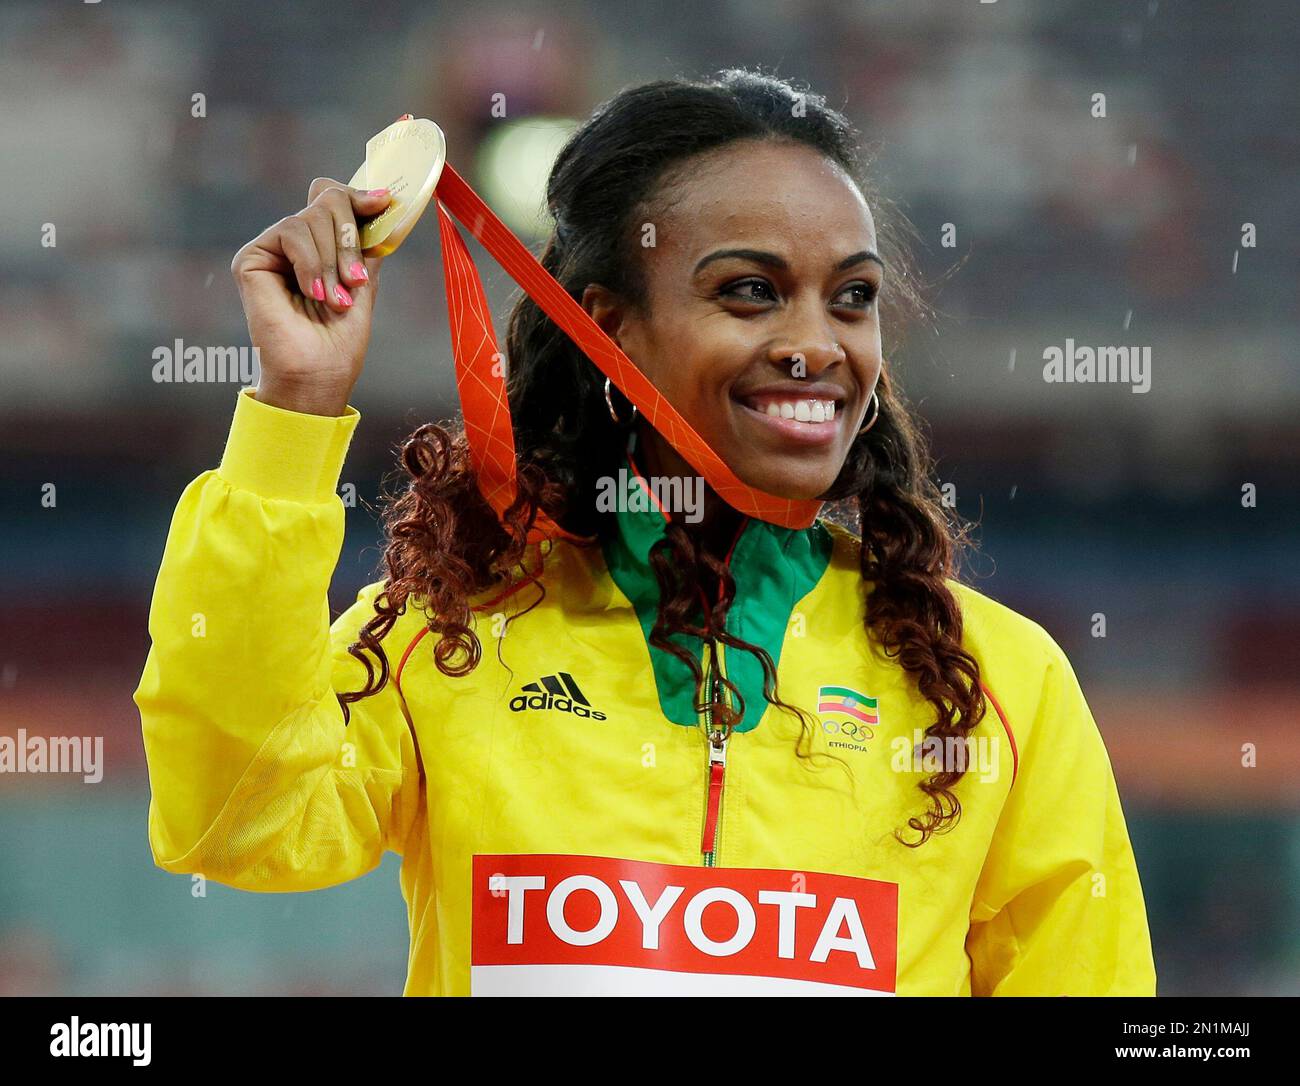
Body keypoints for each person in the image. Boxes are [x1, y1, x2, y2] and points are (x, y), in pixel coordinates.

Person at [134, 69, 1156, 996]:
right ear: (607, 325)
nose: (814, 344)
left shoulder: (993, 687)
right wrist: (295, 411)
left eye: (852, 299)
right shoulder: (452, 631)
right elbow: (235, 819)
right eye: (748, 292)